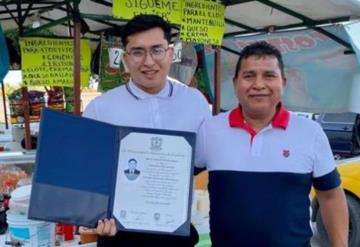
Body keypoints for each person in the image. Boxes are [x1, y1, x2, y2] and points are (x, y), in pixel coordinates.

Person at [195, 41, 348, 247]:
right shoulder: (210, 130)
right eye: (249, 76)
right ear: (235, 83)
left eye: (269, 76)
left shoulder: (310, 133)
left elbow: (330, 197)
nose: (259, 84)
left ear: (283, 83)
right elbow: (178, 176)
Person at [82, 14, 210, 247]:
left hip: (176, 232)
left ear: (170, 53)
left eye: (157, 50)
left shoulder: (195, 102)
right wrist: (93, 214)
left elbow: (201, 160)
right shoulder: (101, 108)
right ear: (126, 57)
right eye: (138, 52)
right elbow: (88, 174)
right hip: (118, 235)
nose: (148, 62)